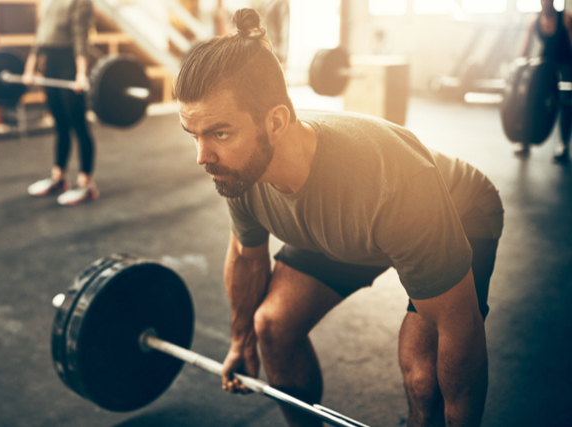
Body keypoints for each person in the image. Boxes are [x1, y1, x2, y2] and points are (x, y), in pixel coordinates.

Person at [175, 9, 504, 427]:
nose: (202, 157)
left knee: (424, 374)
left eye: (219, 134)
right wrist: (241, 340)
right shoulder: (240, 169)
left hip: (457, 211)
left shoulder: (390, 180)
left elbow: (461, 330)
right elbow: (246, 255)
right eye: (195, 135)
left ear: (275, 122)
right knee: (270, 326)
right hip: (353, 228)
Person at [23, 0, 99, 205]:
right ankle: (59, 178)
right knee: (60, 124)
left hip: (70, 64)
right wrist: (29, 69)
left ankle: (86, 184)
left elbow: (80, 36)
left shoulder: (81, 2)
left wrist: (81, 74)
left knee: (79, 125)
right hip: (51, 63)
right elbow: (40, 34)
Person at [517, 0, 572, 163]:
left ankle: (563, 145)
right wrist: (517, 68)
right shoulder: (534, 21)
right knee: (530, 98)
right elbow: (525, 49)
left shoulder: (566, 19)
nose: (545, 3)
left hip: (565, 65)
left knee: (566, 102)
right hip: (546, 66)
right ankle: (525, 141)